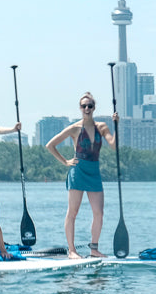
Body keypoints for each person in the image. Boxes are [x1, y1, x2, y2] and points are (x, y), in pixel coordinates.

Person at [46, 92, 118, 259]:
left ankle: (94, 249)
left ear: (94, 108)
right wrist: (65, 162)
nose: (87, 108)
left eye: (90, 106)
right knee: (73, 212)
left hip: (94, 172)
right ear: (80, 108)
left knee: (99, 213)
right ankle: (72, 251)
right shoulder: (74, 128)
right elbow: (50, 145)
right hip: (78, 172)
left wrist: (116, 126)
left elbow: (114, 146)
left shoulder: (102, 127)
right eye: (84, 106)